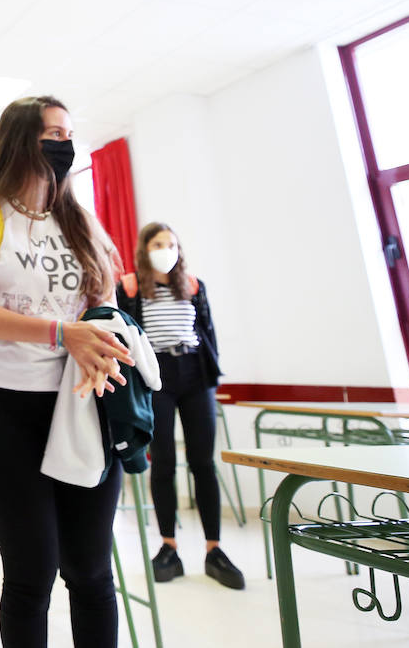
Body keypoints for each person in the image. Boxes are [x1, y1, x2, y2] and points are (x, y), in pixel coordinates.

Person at [0, 96, 135, 648]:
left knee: (91, 570)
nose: (64, 143)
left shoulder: (81, 221)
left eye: (69, 133)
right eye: (53, 132)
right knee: (32, 572)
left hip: (80, 406)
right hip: (3, 408)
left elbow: (101, 307)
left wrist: (100, 336)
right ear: (22, 139)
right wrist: (61, 333)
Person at [115, 223, 244, 590]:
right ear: (145, 248)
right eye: (159, 243)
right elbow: (126, 334)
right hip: (157, 376)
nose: (166, 249)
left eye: (171, 243)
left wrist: (213, 373)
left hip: (195, 374)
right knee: (165, 461)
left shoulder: (192, 286)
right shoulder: (130, 286)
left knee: (204, 462)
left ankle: (214, 548)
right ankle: (168, 545)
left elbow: (208, 331)